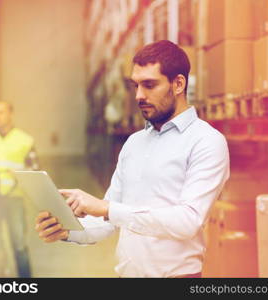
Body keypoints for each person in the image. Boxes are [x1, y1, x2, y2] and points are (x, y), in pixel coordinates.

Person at [35, 40, 230, 278]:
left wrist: (106, 208)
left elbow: (188, 221)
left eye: (149, 85)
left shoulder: (206, 141)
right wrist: (66, 231)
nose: (139, 95)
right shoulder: (134, 143)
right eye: (135, 85)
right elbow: (109, 221)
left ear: (178, 84)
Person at [0, 101, 39, 278]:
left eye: (1, 112)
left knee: (18, 244)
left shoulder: (25, 141)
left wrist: (21, 172)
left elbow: (34, 170)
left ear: (11, 114)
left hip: (14, 197)